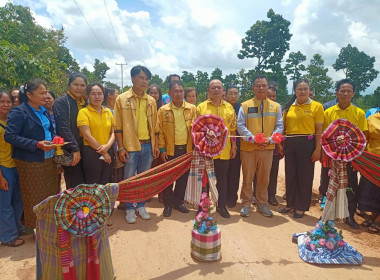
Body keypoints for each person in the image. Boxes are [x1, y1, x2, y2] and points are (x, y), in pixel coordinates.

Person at [5, 80, 59, 232]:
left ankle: (50, 226)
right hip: (31, 161)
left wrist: (54, 141)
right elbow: (10, 136)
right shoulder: (19, 112)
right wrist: (36, 144)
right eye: (41, 93)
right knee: (35, 197)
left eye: (46, 92)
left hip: (49, 159)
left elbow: (49, 131)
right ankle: (37, 229)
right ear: (29, 95)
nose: (45, 95)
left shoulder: (43, 111)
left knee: (50, 194)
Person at [114, 65, 159, 224]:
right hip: (130, 146)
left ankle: (140, 206)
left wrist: (155, 145)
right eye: (141, 77)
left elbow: (155, 126)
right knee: (129, 179)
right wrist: (120, 147)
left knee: (144, 179)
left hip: (147, 146)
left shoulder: (151, 100)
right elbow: (117, 126)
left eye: (147, 79)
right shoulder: (122, 99)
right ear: (132, 78)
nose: (144, 81)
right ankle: (129, 209)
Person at [323, 78, 367, 228]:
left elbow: (363, 139)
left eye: (348, 91)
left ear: (353, 93)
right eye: (342, 91)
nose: (345, 93)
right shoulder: (328, 112)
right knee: (329, 186)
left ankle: (350, 216)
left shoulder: (359, 113)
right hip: (332, 157)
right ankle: (328, 215)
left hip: (352, 158)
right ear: (336, 92)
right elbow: (325, 137)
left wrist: (358, 161)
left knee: (351, 187)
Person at [237, 75, 283, 218]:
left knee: (264, 178)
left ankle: (262, 203)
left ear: (268, 87)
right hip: (249, 148)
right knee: (248, 177)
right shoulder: (245, 105)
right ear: (253, 88)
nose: (261, 88)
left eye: (264, 85)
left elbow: (280, 126)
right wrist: (252, 139)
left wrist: (270, 140)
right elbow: (240, 125)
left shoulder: (276, 106)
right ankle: (246, 203)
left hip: (267, 148)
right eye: (258, 85)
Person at [279, 78, 323, 219]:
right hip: (290, 143)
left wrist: (318, 149)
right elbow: (283, 128)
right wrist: (280, 145)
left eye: (306, 89)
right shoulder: (288, 106)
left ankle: (301, 206)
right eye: (300, 89)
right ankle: (290, 203)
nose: (303, 91)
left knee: (305, 176)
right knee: (290, 174)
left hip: (307, 144)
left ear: (310, 90)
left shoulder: (317, 106)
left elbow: (319, 130)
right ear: (295, 91)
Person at [197, 79, 237, 218]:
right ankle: (204, 206)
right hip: (206, 150)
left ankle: (221, 206)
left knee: (222, 179)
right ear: (208, 91)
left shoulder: (229, 108)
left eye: (218, 88)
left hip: (224, 150)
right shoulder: (201, 107)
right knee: (205, 180)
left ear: (223, 91)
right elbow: (196, 128)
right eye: (213, 87)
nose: (216, 90)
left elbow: (232, 129)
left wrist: (234, 146)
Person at [157, 81, 196, 217]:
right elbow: (160, 131)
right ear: (169, 93)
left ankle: (178, 202)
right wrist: (162, 150)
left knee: (183, 178)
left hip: (186, 149)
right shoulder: (163, 110)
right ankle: (168, 204)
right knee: (168, 178)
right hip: (169, 150)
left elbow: (197, 129)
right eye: (175, 91)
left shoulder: (192, 109)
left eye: (181, 91)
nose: (179, 94)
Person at [53, 73, 87, 189]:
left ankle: (86, 206)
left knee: (87, 181)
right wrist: (75, 148)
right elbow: (63, 128)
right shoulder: (61, 102)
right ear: (69, 85)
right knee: (75, 182)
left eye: (82, 85)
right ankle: (75, 207)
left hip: (87, 147)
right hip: (71, 149)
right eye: (75, 84)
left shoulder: (86, 103)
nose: (79, 88)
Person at [0, 90, 25, 247]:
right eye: (2, 102)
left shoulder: (13, 121)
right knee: (5, 204)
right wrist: (0, 176)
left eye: (8, 101)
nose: (6, 104)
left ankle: (16, 228)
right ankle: (8, 236)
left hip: (17, 166)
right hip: (4, 168)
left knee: (18, 201)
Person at [77, 83, 115, 184]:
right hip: (91, 152)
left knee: (106, 181)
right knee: (92, 182)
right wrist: (104, 152)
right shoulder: (83, 112)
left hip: (108, 150)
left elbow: (113, 132)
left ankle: (103, 200)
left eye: (100, 93)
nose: (97, 97)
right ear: (88, 96)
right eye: (93, 94)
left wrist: (107, 147)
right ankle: (93, 201)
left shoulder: (108, 112)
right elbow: (87, 136)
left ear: (104, 95)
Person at [253, 84, 284, 206]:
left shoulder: (278, 108)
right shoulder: (259, 106)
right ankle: (256, 195)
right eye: (269, 95)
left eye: (274, 96)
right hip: (258, 145)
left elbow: (280, 127)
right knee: (257, 173)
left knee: (273, 172)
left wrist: (279, 144)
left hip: (273, 146)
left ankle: (271, 196)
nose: (272, 98)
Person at [358, 112, 380, 233]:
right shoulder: (372, 119)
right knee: (371, 190)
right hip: (372, 161)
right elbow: (365, 139)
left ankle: (378, 219)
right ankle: (373, 215)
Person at [224, 85, 241, 208]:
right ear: (226, 94)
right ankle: (222, 197)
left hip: (238, 145)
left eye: (236, 93)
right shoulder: (222, 107)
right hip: (222, 146)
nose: (233, 96)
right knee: (223, 173)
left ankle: (232, 197)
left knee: (235, 172)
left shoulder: (242, 108)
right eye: (231, 93)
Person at [147, 84, 164, 202]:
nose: (153, 95)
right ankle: (147, 194)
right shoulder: (144, 107)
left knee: (161, 172)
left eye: (155, 93)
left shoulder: (163, 109)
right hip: (147, 144)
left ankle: (162, 195)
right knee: (148, 171)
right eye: (151, 93)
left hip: (161, 144)